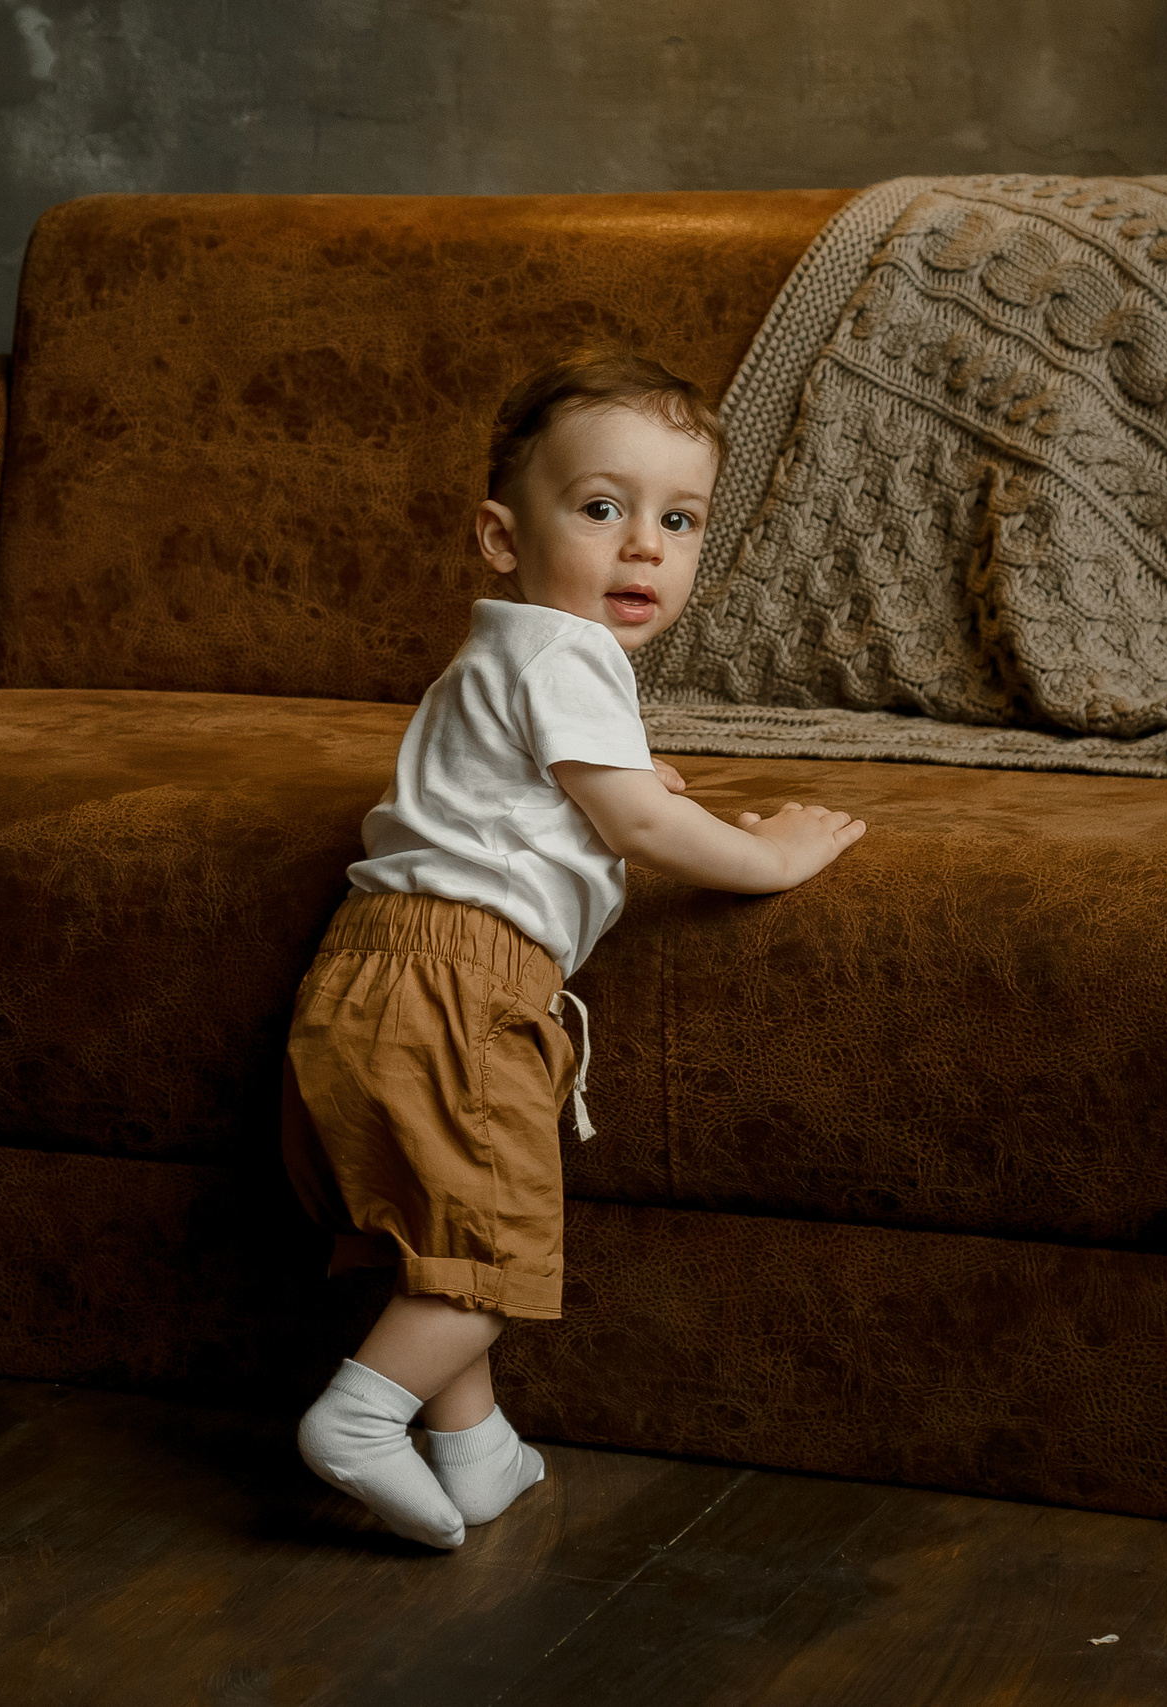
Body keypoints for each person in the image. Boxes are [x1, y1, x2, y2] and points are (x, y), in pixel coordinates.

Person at [282, 346, 869, 1548]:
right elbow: (638, 823)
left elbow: (519, 794)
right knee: (492, 1246)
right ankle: (359, 1416)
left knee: (444, 1227)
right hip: (461, 983)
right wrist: (771, 855)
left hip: (371, 971)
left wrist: (607, 780)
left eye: (679, 519)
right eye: (602, 509)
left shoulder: (503, 657)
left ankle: (474, 1445)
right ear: (503, 538)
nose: (644, 545)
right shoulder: (568, 653)